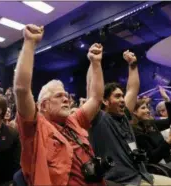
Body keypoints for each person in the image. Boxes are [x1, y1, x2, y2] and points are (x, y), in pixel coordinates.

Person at [14, 24, 108, 186]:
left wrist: (96, 64)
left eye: (66, 96)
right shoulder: (35, 129)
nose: (66, 99)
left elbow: (96, 98)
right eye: (59, 96)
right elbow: (21, 90)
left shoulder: (73, 121)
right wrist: (29, 43)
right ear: (43, 106)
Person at [87, 51, 171, 185]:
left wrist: (132, 65)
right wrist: (95, 62)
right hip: (124, 182)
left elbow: (133, 89)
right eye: (117, 96)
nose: (122, 99)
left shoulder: (123, 117)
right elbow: (93, 93)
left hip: (143, 176)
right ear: (105, 101)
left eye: (122, 96)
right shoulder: (100, 120)